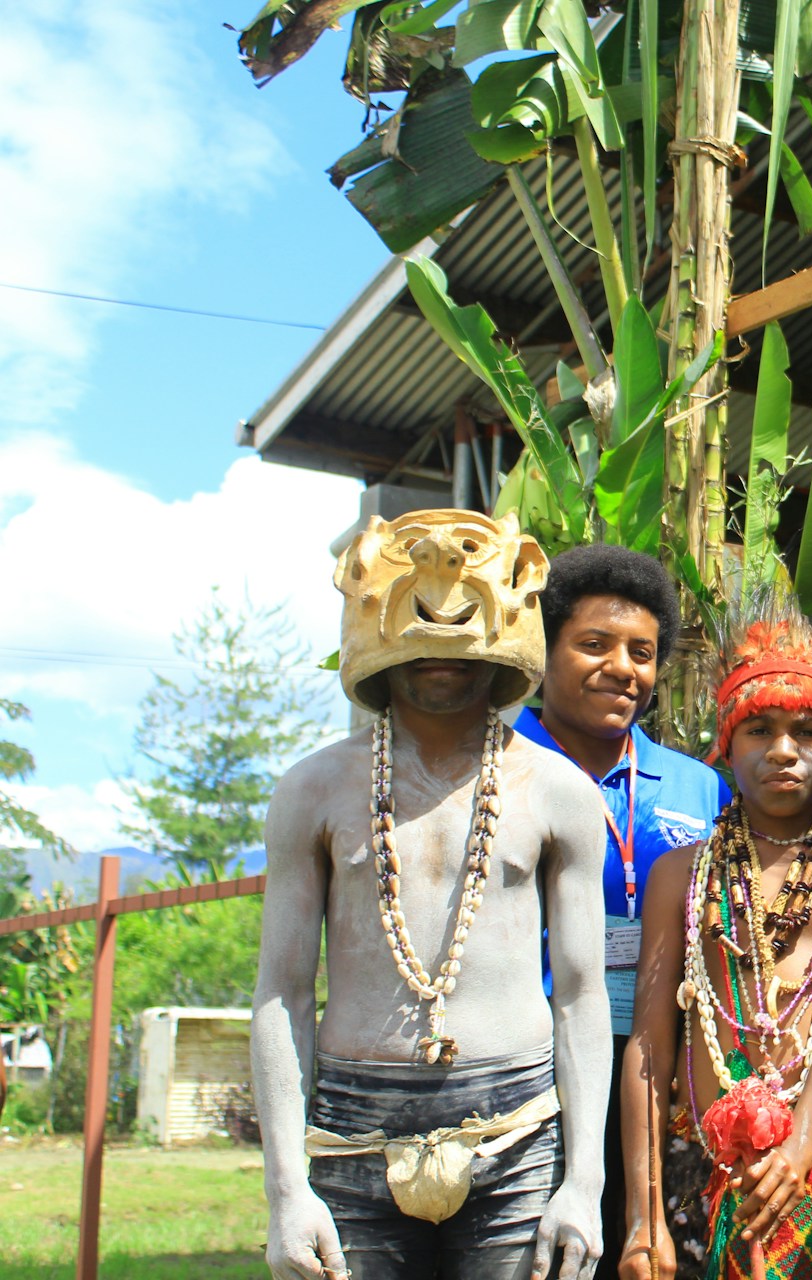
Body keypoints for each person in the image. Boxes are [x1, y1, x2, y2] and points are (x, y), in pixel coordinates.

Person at [253, 509, 609, 1280]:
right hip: (351, 1133)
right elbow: (281, 993)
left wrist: (584, 1182)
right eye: (423, 630)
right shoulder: (313, 789)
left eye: (462, 630)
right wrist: (287, 1190)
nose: (441, 650)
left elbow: (582, 992)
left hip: (515, 1129)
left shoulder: (558, 792)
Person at [621, 592, 812, 1280]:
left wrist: (798, 1149)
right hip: (698, 1166)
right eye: (759, 729)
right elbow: (653, 1044)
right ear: (725, 743)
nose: (783, 750)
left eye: (807, 731)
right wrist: (643, 1212)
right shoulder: (679, 873)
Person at [517, 544, 730, 1264]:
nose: (623, 668)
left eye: (643, 652)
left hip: (656, 1071)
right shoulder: (498, 767)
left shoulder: (698, 786)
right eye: (594, 644)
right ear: (543, 650)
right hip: (531, 1068)